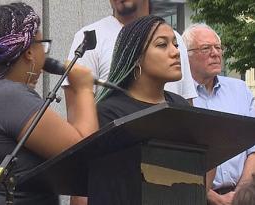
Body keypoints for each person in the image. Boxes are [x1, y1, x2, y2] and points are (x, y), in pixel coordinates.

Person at [0, 2, 98, 205]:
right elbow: (84, 156)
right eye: (43, 46)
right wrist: (83, 90)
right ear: (29, 52)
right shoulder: (9, 97)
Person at [64, 0, 197, 104]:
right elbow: (76, 116)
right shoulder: (89, 38)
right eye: (161, 45)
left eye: (174, 45)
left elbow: (187, 102)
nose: (174, 51)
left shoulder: (174, 37)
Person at [182, 23, 255, 205]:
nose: (215, 53)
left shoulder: (239, 90)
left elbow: (253, 147)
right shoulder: (177, 97)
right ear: (186, 55)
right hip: (196, 196)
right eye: (206, 48)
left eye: (218, 47)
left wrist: (241, 193)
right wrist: (213, 197)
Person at [97, 15, 190, 126]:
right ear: (136, 58)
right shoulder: (109, 112)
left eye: (176, 45)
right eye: (162, 44)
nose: (176, 52)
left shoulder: (180, 104)